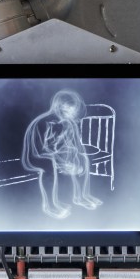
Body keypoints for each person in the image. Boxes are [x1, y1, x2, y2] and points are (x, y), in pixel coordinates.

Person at [22, 90, 103, 220]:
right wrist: (62, 161)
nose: (72, 114)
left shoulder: (70, 124)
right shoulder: (42, 123)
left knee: (83, 158)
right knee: (49, 163)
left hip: (57, 156)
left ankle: (82, 196)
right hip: (35, 157)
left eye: (73, 110)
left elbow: (78, 146)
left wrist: (77, 161)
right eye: (68, 110)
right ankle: (50, 205)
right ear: (59, 107)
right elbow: (38, 151)